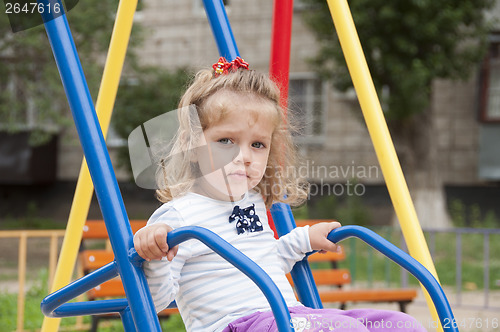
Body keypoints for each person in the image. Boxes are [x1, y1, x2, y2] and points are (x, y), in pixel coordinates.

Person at [133, 57, 426, 332]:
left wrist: (305, 239)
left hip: (284, 315)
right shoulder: (179, 215)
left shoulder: (253, 202)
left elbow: (269, 260)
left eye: (257, 145)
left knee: (399, 324)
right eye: (226, 140)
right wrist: (155, 255)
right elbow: (155, 301)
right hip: (236, 324)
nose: (244, 156)